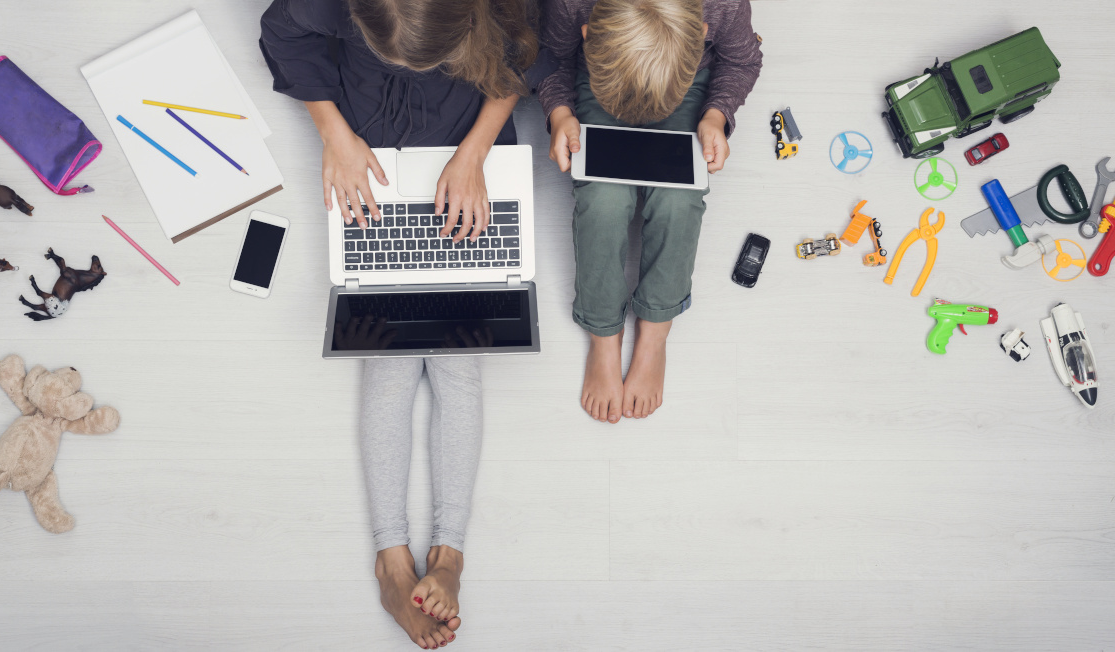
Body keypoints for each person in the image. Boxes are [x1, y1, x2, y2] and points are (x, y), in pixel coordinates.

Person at [260, 1, 550, 648]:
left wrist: (475, 154)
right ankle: (392, 557)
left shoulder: (502, 13)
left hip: (465, 156)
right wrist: (334, 135)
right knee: (389, 362)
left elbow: (524, 57)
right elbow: (282, 34)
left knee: (458, 363)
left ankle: (449, 553)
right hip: (370, 156)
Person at [538, 0, 762, 424]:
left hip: (680, 82)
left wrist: (716, 115)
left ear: (700, 34)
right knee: (602, 199)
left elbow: (742, 60)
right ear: (589, 33)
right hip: (605, 78)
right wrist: (560, 112)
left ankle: (655, 332)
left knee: (680, 199)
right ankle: (603, 332)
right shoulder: (570, 6)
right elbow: (551, 57)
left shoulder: (725, 6)